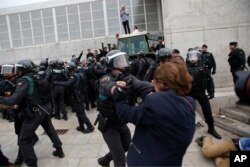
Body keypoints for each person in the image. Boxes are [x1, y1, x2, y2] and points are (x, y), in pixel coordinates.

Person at [113, 59, 195, 166]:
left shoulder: (156, 102)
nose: (152, 83)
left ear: (161, 84)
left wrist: (120, 97)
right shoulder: (189, 102)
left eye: (154, 81)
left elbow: (127, 113)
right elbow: (164, 101)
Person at [0, 59, 64, 167]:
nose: (18, 71)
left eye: (20, 68)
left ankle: (32, 163)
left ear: (24, 69)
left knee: (24, 140)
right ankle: (59, 150)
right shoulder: (37, 75)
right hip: (45, 108)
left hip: (35, 111)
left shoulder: (24, 80)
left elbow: (13, 100)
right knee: (50, 129)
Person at [97, 50, 153, 167]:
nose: (124, 64)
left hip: (121, 123)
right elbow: (109, 87)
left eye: (124, 60)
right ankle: (109, 159)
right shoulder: (105, 78)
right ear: (111, 64)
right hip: (109, 125)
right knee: (120, 160)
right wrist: (116, 89)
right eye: (120, 61)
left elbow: (141, 85)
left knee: (127, 145)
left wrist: (157, 89)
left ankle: (105, 160)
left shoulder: (128, 77)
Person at [187, 50, 222, 139]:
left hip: (201, 93)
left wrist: (211, 91)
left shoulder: (203, 67)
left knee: (207, 111)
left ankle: (211, 128)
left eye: (194, 57)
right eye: (191, 57)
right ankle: (187, 129)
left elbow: (209, 79)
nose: (192, 59)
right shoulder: (184, 68)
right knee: (187, 111)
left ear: (198, 57)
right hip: (189, 93)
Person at [53, 61, 94, 133]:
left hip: (77, 97)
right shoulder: (79, 74)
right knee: (79, 113)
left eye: (68, 68)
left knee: (81, 114)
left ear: (71, 69)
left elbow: (68, 84)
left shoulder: (74, 76)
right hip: (79, 95)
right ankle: (81, 126)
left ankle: (90, 127)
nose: (67, 70)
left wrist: (57, 82)